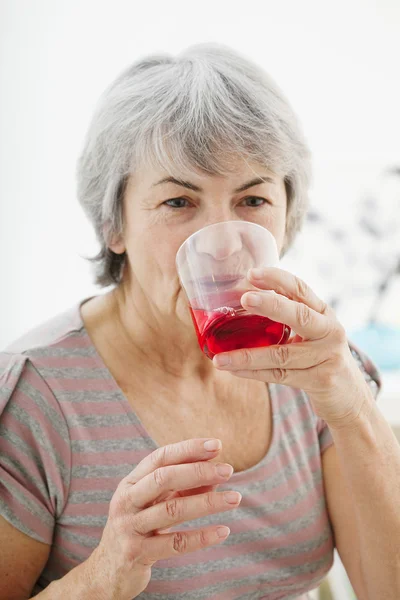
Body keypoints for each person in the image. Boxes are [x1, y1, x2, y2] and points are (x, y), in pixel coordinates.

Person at [0, 42, 398, 600]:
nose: (223, 245)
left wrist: (351, 402)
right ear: (114, 225)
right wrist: (106, 572)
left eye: (253, 200)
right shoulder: (32, 398)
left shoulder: (319, 364)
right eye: (178, 202)